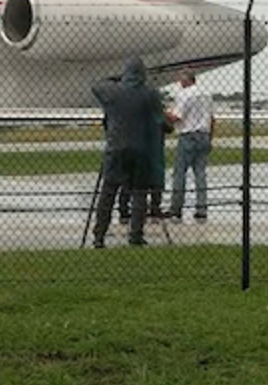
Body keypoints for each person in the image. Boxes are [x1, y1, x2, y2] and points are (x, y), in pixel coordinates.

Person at [91, 57, 163, 248]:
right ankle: (136, 235)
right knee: (140, 194)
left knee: (108, 193)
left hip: (116, 148)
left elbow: (96, 86)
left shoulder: (113, 93)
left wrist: (116, 80)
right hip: (141, 149)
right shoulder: (150, 94)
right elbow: (160, 119)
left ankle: (99, 235)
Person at [165, 71, 214, 223]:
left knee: (180, 173)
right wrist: (210, 138)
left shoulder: (183, 94)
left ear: (186, 80)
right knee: (200, 173)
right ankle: (201, 210)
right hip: (204, 134)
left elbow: (176, 117)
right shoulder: (206, 94)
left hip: (188, 135)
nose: (179, 82)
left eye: (181, 79)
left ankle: (176, 209)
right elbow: (212, 118)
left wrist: (162, 112)